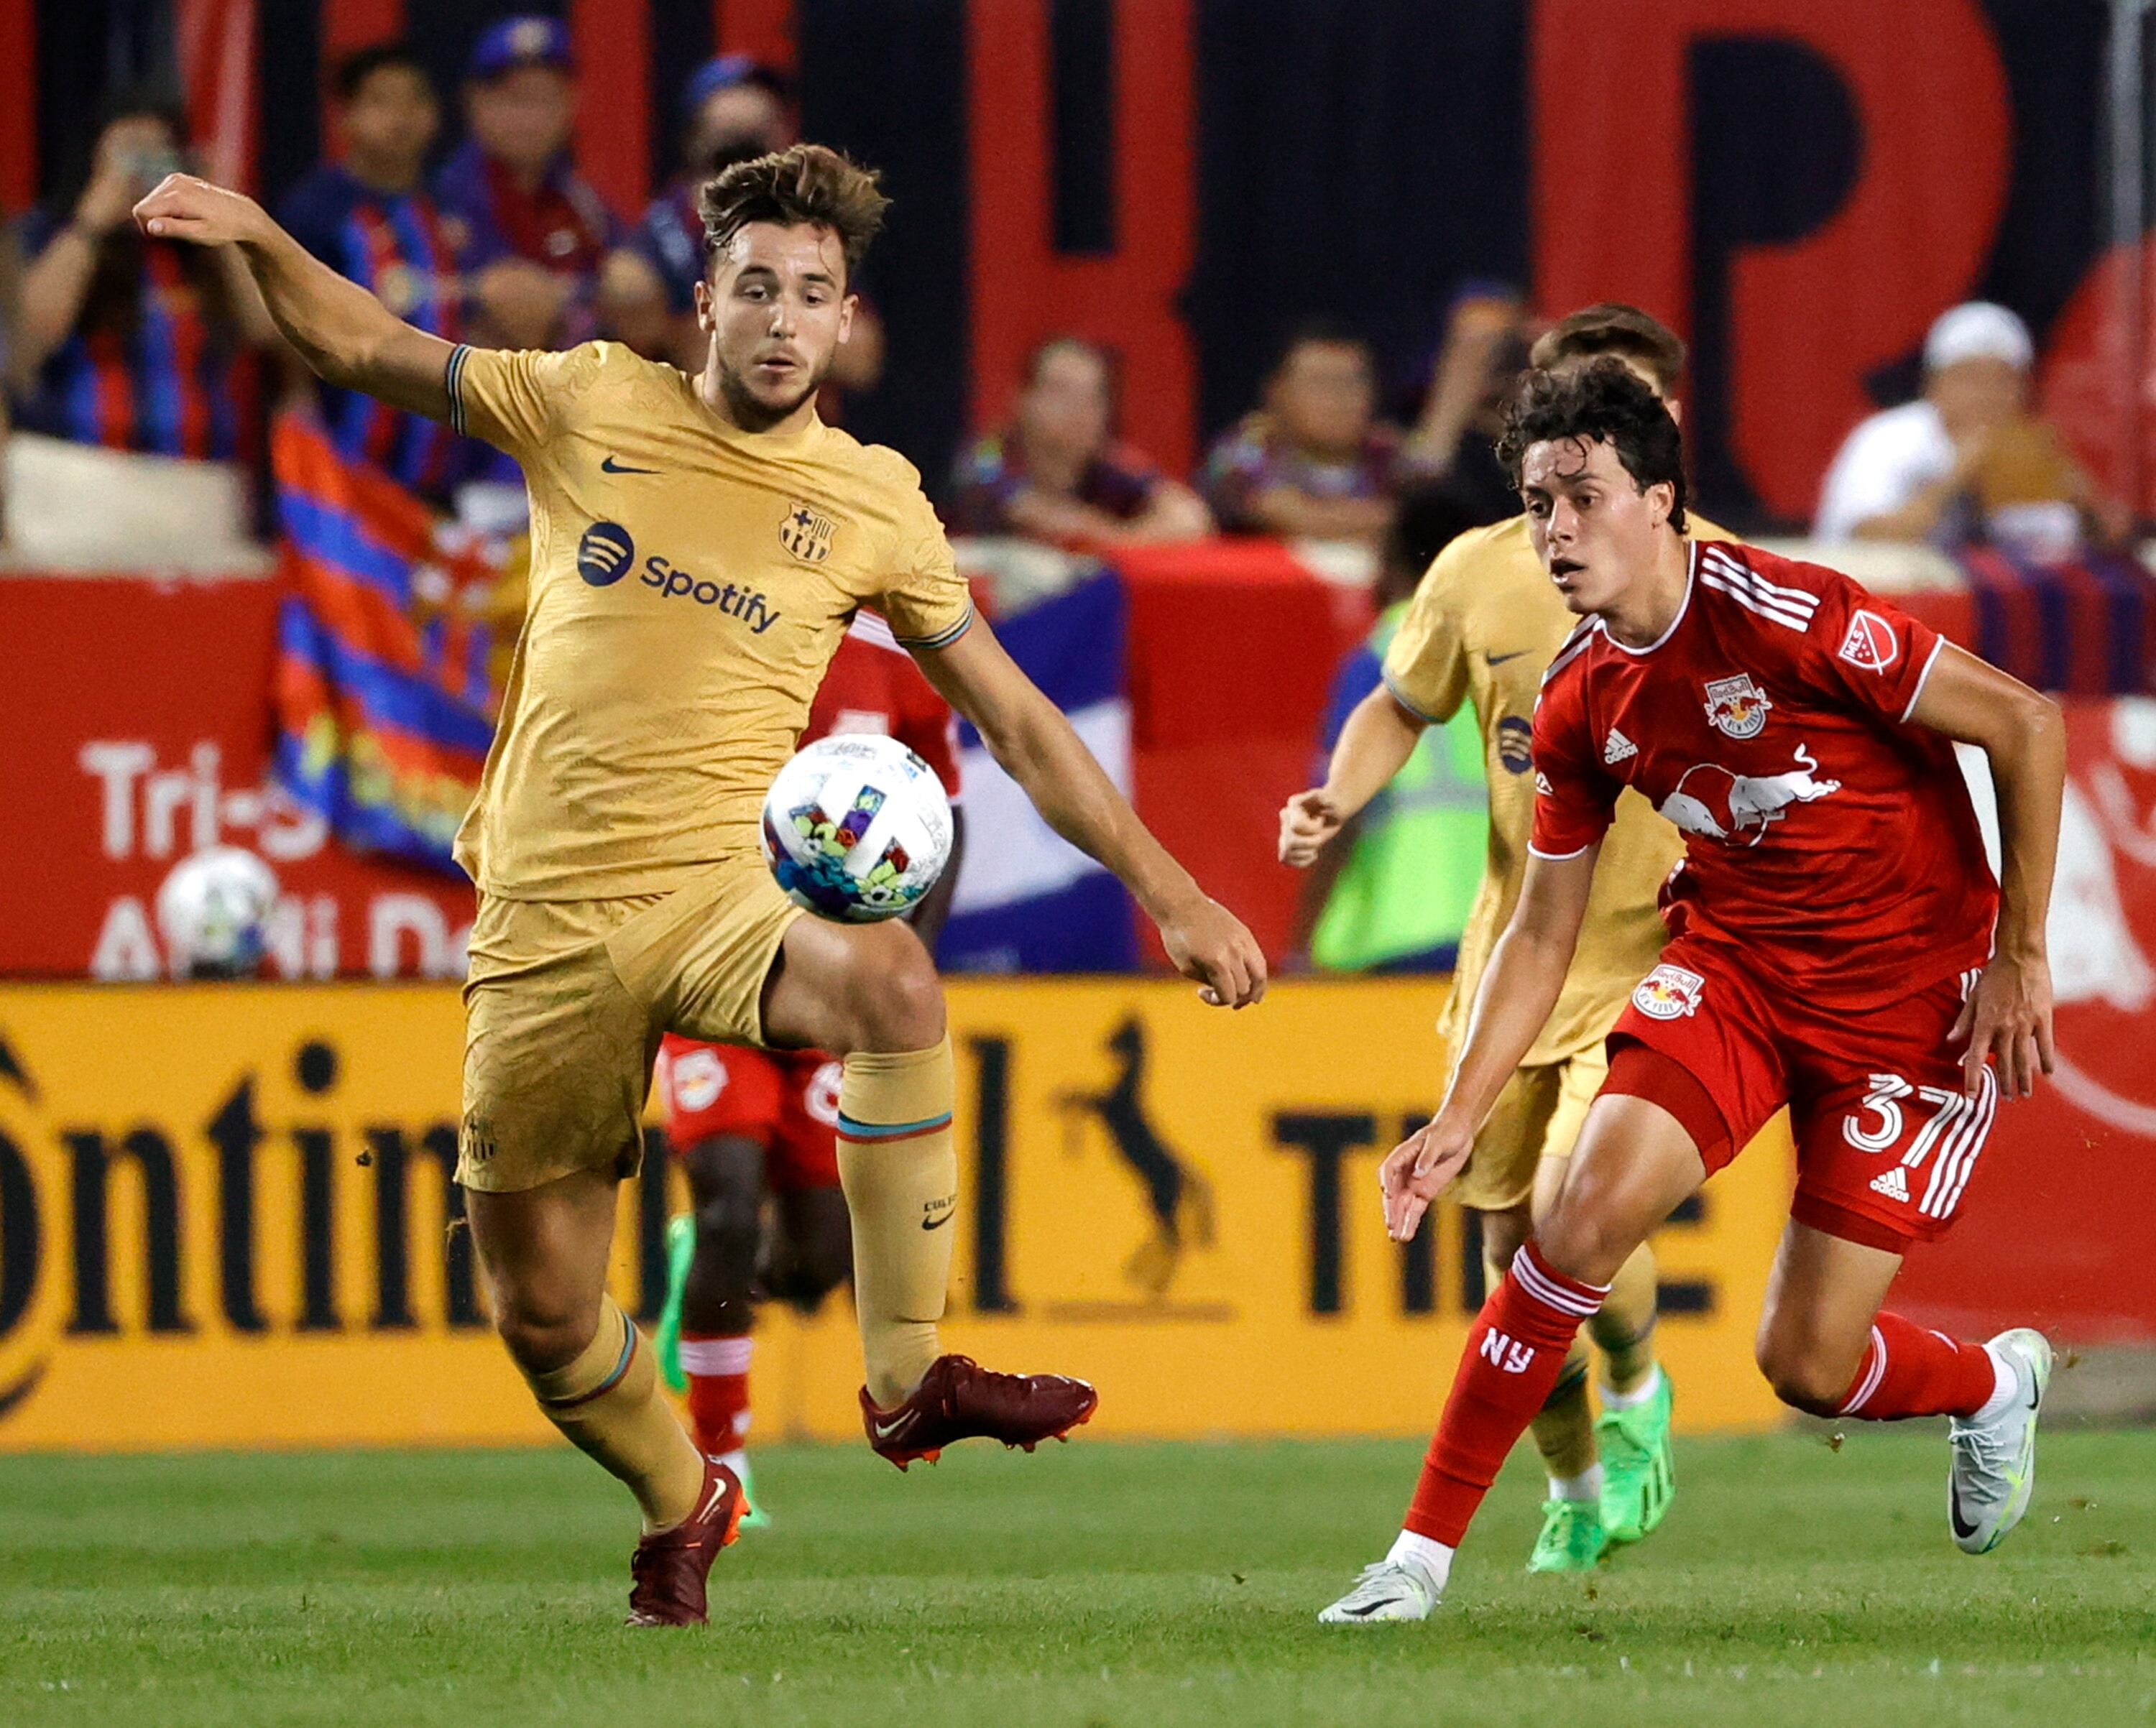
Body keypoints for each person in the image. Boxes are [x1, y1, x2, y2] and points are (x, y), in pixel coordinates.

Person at [135, 142, 1264, 1630]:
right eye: (754, 287)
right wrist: (258, 233)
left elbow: (1016, 720)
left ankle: (906, 1372)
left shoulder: (873, 500)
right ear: (705, 301)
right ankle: (689, 1495)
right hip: (542, 914)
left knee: (893, 977)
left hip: (717, 891)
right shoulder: (588, 398)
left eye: (812, 292)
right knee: (542, 1314)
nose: (783, 317)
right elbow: (353, 342)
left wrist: (1171, 887)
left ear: (846, 314)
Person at [1315, 357, 2063, 1626]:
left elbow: (2026, 724)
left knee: (1809, 1365)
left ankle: (1989, 1388)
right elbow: (1542, 933)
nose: (1555, 530)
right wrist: (1455, 1116)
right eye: (1539, 502)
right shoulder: (1580, 701)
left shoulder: (1790, 613)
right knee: (1576, 1227)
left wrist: (2021, 954)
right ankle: (1417, 1563)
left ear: (1662, 499)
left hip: (1906, 1002)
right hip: (1740, 976)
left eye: (1583, 496)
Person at [1285, 306, 1731, 1571]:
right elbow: (1395, 699)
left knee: (1565, 1210)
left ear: (1666, 426)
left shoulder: (1732, 578)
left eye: (1622, 406)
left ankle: (1639, 1389)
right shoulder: (1480, 570)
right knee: (1505, 1261)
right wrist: (1341, 794)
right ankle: (1578, 1488)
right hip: (1517, 959)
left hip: (1663, 952)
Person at [651, 607, 968, 1525]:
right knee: (725, 1194)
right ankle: (720, 1462)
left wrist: (905, 975)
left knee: (822, 1259)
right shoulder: (707, 629)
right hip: (720, 961)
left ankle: (704, 1272)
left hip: (840, 986)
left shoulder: (898, 661)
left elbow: (943, 819)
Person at [1288, 484, 1488, 977]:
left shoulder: (1380, 659)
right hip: (1507, 940)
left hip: (1399, 933)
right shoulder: (1521, 661)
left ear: (1392, 566)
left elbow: (1340, 808)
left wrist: (1301, 944)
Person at [607, 55, 885, 400]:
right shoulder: (663, 232)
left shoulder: (813, 232)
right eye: (732, 145)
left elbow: (861, 355)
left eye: (763, 138)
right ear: (697, 141)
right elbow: (634, 314)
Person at [15, 96, 274, 459]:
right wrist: (94, 219)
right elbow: (30, 335)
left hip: (199, 468)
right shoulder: (49, 232)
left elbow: (267, 329)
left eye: (157, 154)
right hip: (79, 465)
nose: (140, 171)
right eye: (127, 153)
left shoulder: (201, 249)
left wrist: (226, 217)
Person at [280, 44, 467, 496]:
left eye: (415, 101)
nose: (400, 117)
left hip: (444, 463)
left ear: (436, 116)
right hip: (346, 456)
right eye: (380, 101)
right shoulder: (315, 210)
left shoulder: (452, 208)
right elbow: (288, 318)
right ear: (346, 117)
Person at [1815, 300, 2126, 556]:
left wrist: (2086, 505)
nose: (1988, 394)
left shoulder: (2022, 447)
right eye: (1971, 378)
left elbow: (2109, 543)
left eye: (2004, 381)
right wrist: (1958, 471)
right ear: (1934, 385)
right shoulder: (1889, 437)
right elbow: (1868, 540)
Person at [434, 15, 622, 354]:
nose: (529, 119)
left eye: (545, 100)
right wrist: (478, 292)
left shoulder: (582, 203)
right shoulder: (433, 199)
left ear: (572, 104)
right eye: (514, 99)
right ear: (475, 102)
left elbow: (631, 290)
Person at [949, 336, 1210, 547]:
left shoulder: (1107, 460)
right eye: (1062, 392)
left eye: (1093, 396)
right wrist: (1103, 535)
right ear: (1022, 400)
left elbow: (1190, 516)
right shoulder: (986, 453)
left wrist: (1121, 540)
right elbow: (1035, 517)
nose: (1079, 410)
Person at [1201, 324, 1401, 547]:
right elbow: (1278, 512)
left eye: (1353, 381)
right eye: (1321, 382)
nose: (1340, 398)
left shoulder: (1389, 453)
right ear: (1276, 392)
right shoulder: (1244, 448)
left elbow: (1423, 515)